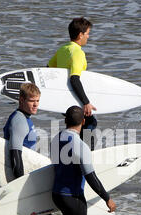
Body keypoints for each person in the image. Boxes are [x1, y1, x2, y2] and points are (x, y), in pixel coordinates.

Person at [51, 106, 116, 215]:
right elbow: (91, 177)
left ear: (65, 121)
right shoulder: (80, 145)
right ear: (83, 122)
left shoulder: (56, 139)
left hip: (57, 194)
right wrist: (107, 198)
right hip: (73, 197)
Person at [3, 83, 53, 215]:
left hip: (25, 177)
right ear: (21, 100)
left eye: (38, 101)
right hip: (20, 178)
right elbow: (15, 154)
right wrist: (20, 185)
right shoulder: (18, 120)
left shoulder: (25, 118)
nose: (35, 105)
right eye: (32, 101)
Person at [47, 17, 97, 149]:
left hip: (64, 99)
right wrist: (86, 102)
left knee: (74, 127)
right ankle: (86, 155)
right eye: (87, 34)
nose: (88, 36)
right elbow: (74, 78)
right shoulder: (77, 52)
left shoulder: (62, 49)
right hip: (75, 98)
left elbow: (48, 69)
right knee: (90, 123)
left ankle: (68, 153)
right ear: (80, 35)